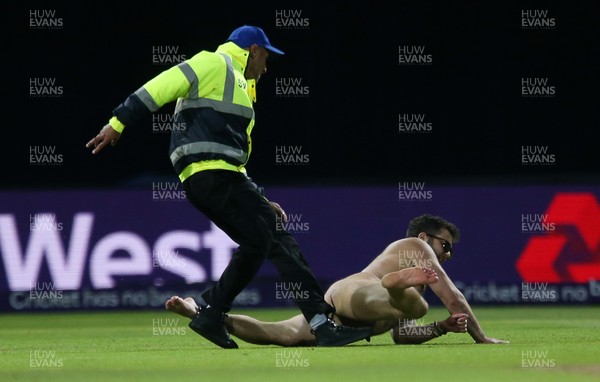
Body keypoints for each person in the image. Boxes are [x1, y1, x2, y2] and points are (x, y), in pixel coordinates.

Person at [85, 25, 372, 349]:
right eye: (265, 58)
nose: (266, 67)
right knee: (274, 240)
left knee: (261, 242)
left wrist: (260, 197)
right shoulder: (214, 63)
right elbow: (159, 87)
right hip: (210, 175)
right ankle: (319, 324)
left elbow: (235, 159)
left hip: (218, 176)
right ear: (252, 51)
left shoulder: (241, 87)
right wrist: (118, 122)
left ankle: (213, 313)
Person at [165, 214, 509, 346]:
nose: (446, 253)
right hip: (360, 290)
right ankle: (393, 283)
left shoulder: (416, 276)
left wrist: (441, 329)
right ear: (425, 237)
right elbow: (453, 297)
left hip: (343, 311)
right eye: (444, 245)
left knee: (279, 335)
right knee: (417, 305)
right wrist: (481, 338)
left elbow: (401, 336)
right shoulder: (415, 246)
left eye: (450, 250)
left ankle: (202, 314)